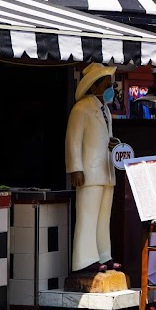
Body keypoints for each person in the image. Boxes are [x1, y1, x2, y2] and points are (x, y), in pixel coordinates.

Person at [65, 63, 120, 273]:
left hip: (106, 170)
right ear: (95, 85)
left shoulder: (104, 109)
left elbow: (105, 137)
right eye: (108, 84)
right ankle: (84, 259)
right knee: (87, 216)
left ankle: (103, 254)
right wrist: (75, 168)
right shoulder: (81, 108)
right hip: (89, 171)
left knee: (104, 215)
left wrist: (114, 144)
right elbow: (73, 141)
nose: (111, 89)